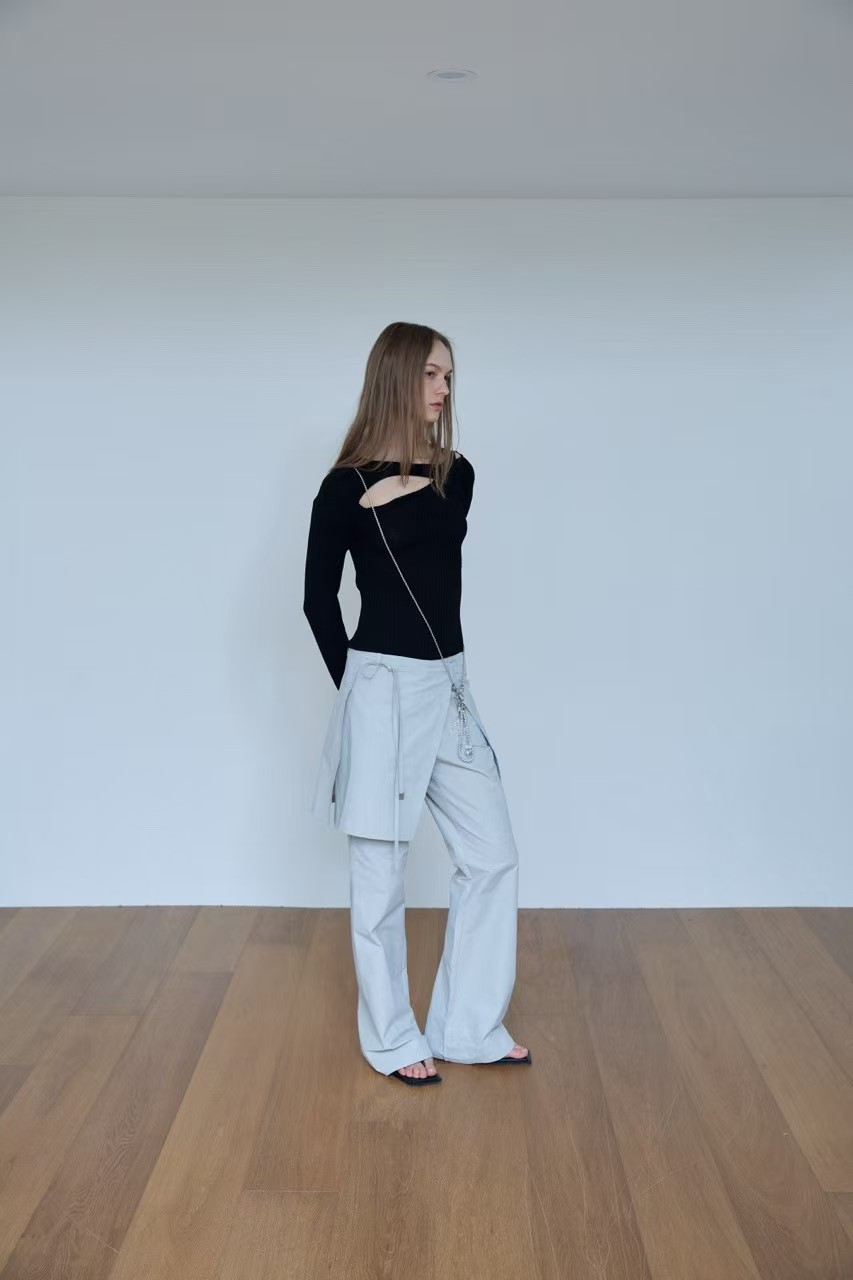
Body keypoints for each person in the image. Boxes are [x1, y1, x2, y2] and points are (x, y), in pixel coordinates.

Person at [302, 321, 531, 1086]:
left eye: (449, 376)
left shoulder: (455, 474)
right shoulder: (341, 489)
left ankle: (467, 1027)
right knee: (380, 875)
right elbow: (317, 601)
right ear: (397, 377)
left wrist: (392, 490)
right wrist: (358, 692)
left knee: (491, 855)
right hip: (382, 687)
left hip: (450, 685)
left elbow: (431, 520)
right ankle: (394, 1039)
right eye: (431, 374)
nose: (443, 388)